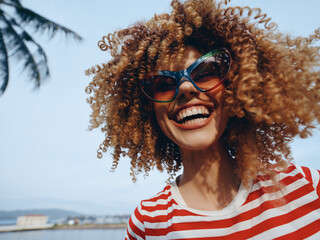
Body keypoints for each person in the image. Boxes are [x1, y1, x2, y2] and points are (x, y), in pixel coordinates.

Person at [86, 0, 320, 239]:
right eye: (163, 84)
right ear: (149, 112)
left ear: (236, 87)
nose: (186, 87)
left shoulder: (308, 185)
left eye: (206, 71)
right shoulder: (148, 224)